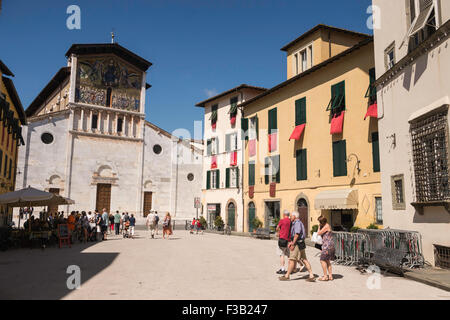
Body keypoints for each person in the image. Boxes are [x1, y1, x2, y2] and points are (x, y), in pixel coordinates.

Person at [279, 211, 315, 282]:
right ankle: (311, 275)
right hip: (300, 243)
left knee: (292, 259)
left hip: (297, 244)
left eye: (291, 216)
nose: (290, 217)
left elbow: (297, 234)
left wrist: (292, 243)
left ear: (294, 216)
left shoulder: (297, 223)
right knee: (304, 259)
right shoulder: (297, 222)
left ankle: (287, 275)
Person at [317, 216, 335, 281]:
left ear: (321, 222)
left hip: (327, 245)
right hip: (330, 245)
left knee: (322, 260)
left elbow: (318, 233)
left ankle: (325, 276)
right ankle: (330, 276)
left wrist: (319, 227)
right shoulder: (327, 225)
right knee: (327, 260)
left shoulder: (326, 226)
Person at [276, 210, 291, 275]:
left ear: (284, 214)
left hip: (282, 239)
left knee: (282, 255)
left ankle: (282, 269)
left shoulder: (282, 221)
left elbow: (277, 228)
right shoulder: (290, 221)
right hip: (288, 240)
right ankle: (291, 269)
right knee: (289, 255)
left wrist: (279, 231)